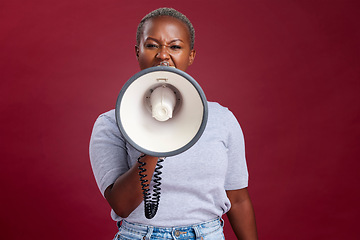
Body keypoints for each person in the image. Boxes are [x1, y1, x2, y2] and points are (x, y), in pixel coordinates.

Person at [90, 7, 258, 240]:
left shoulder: (222, 119)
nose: (163, 55)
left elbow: (238, 199)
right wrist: (157, 140)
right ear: (137, 51)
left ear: (190, 55)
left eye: (175, 46)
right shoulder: (111, 124)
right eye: (151, 45)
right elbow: (121, 205)